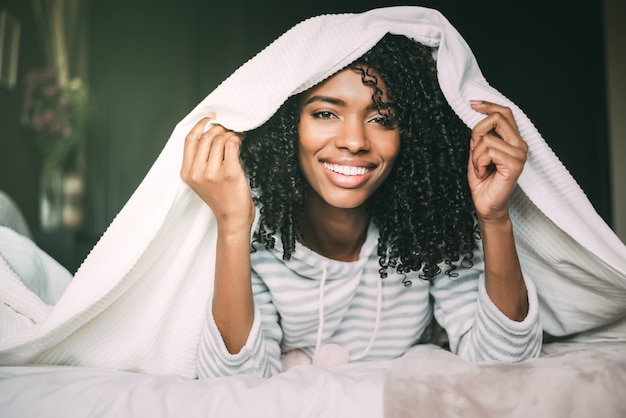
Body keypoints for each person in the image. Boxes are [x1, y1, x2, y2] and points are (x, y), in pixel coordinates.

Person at [180, 33, 542, 379]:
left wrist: (495, 219)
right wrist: (232, 227)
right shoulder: (258, 233)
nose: (354, 142)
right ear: (288, 126)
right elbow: (235, 385)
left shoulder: (428, 226)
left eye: (382, 120)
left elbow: (505, 363)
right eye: (325, 114)